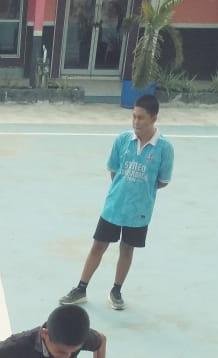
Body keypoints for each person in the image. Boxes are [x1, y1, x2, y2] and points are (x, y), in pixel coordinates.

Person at [60, 94, 174, 311]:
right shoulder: (123, 140)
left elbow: (162, 181)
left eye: (141, 118)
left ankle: (116, 291)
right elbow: (113, 170)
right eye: (134, 116)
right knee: (98, 246)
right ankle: (81, 288)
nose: (136, 122)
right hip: (114, 206)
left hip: (139, 211)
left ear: (154, 118)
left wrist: (141, 192)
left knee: (127, 250)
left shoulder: (164, 148)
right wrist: (124, 189)